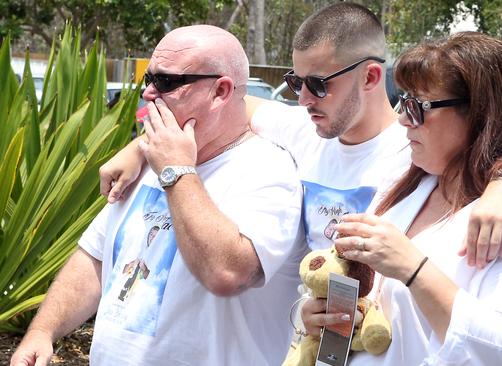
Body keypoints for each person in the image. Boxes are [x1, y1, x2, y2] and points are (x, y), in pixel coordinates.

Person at [99, 3, 502, 270]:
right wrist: (138, 147)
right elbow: (219, 107)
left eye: (318, 84)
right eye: (295, 82)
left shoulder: (419, 142)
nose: (303, 98)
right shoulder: (303, 129)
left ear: (370, 76)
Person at [10, 25, 305, 366]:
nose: (149, 93)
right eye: (148, 79)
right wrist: (42, 332)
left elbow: (228, 274)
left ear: (221, 91)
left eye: (166, 82)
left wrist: (176, 171)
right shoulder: (150, 159)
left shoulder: (267, 169)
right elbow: (96, 258)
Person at [302, 32, 502, 365]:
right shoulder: (406, 182)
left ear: (479, 112)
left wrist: (412, 268)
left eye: (417, 107)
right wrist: (318, 315)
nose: (403, 118)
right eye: (403, 101)